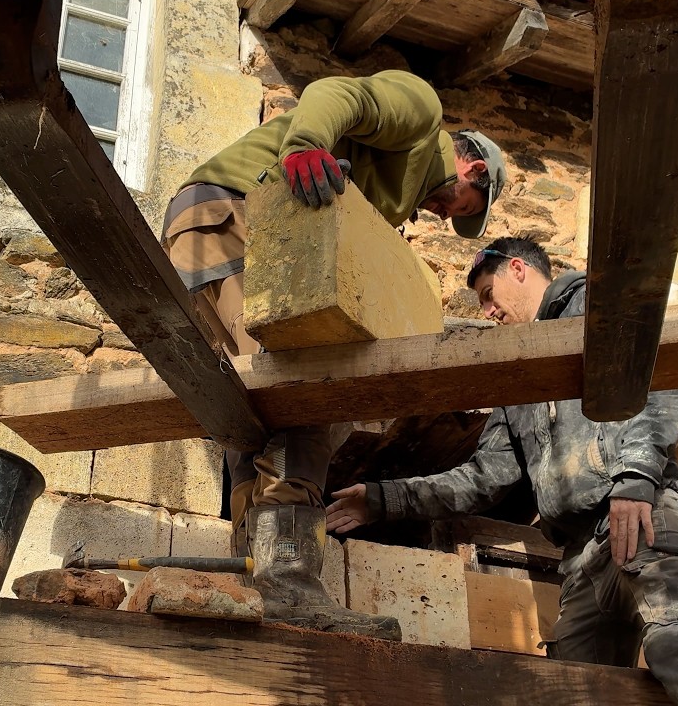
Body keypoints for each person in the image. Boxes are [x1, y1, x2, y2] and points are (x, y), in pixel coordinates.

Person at [325, 237, 678, 705]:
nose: (487, 312)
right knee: (573, 691)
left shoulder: (595, 307)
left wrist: (635, 480)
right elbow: (483, 478)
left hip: (641, 518)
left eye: (487, 293)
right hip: (581, 560)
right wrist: (383, 498)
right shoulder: (520, 378)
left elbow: (663, 379)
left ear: (517, 269)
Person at [161, 70, 507, 640]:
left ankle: (258, 576)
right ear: (472, 169)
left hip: (233, 227)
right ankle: (288, 583)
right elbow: (335, 94)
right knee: (312, 396)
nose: (448, 216)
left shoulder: (387, 204)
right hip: (241, 215)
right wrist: (304, 148)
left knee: (258, 419)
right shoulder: (421, 112)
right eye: (463, 206)